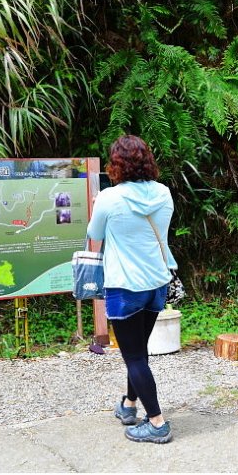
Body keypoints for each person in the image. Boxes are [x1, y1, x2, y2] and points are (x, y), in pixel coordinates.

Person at [87, 134, 177, 444]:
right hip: (157, 284)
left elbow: (93, 232)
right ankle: (128, 406)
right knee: (136, 352)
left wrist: (97, 205)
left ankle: (156, 423)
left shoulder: (111, 198)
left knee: (135, 357)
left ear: (117, 165)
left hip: (125, 287)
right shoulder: (164, 194)